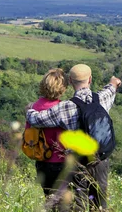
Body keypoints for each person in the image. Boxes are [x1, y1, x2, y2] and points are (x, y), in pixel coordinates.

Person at [26, 64, 122, 211]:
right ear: (90, 79)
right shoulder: (102, 99)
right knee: (100, 205)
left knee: (78, 205)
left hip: (78, 163)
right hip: (100, 159)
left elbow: (36, 120)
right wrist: (114, 82)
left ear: (70, 81)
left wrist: (29, 110)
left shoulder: (65, 107)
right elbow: (111, 88)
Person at [25, 68, 70, 208]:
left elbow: (29, 134)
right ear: (62, 88)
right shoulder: (63, 108)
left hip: (41, 161)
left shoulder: (33, 107)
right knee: (65, 205)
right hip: (61, 163)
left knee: (50, 202)